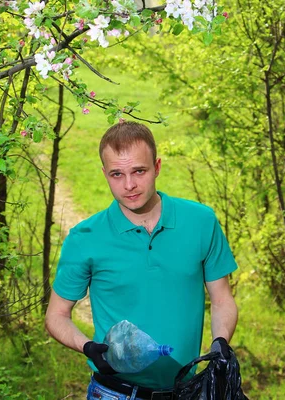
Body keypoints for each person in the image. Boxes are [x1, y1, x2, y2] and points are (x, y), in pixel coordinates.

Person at [45, 121, 238, 400]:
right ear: (104, 174)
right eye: (116, 174)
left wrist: (220, 342)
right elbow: (56, 315)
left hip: (187, 391)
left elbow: (222, 300)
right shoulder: (84, 237)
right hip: (114, 393)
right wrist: (86, 346)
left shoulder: (200, 222)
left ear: (157, 167)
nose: (129, 185)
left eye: (139, 171)